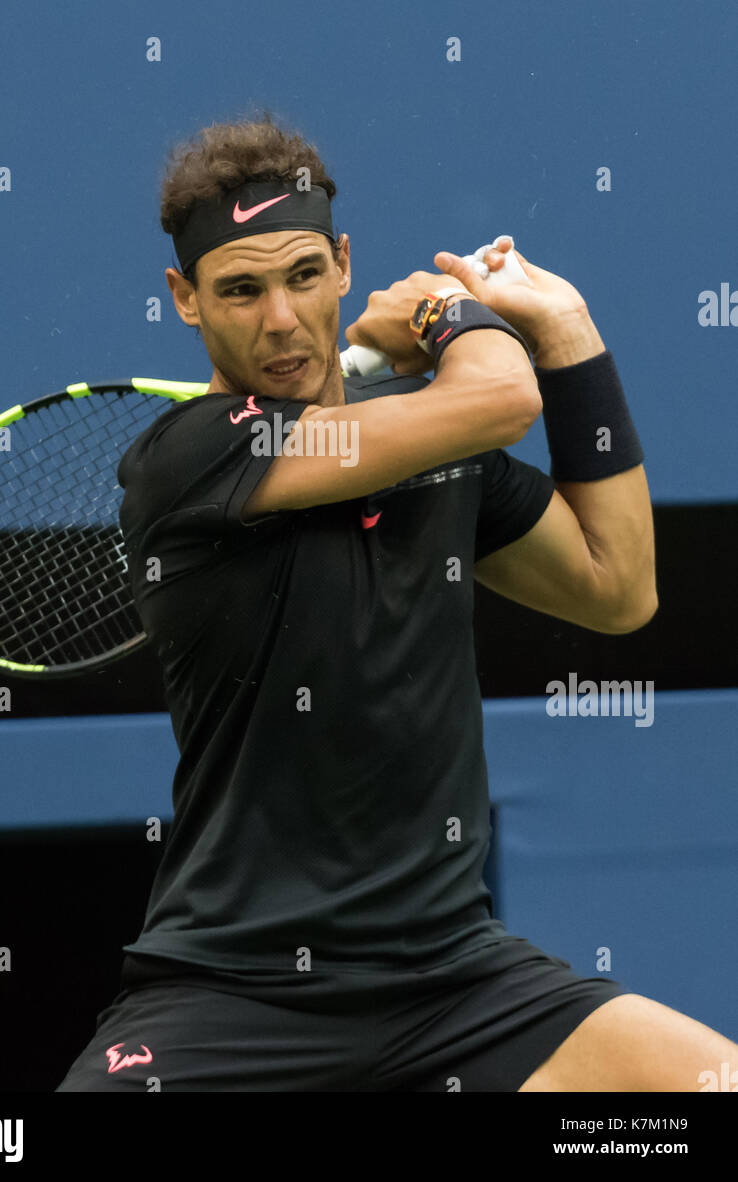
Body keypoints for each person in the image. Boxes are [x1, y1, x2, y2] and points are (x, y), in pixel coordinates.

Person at [57, 115, 738, 1091]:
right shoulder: (188, 455)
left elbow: (616, 586)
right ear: (185, 300)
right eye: (240, 290)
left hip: (456, 983)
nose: (281, 319)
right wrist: (443, 317)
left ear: (341, 265)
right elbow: (498, 400)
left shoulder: (436, 463)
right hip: (236, 996)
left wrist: (568, 332)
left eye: (300, 275)